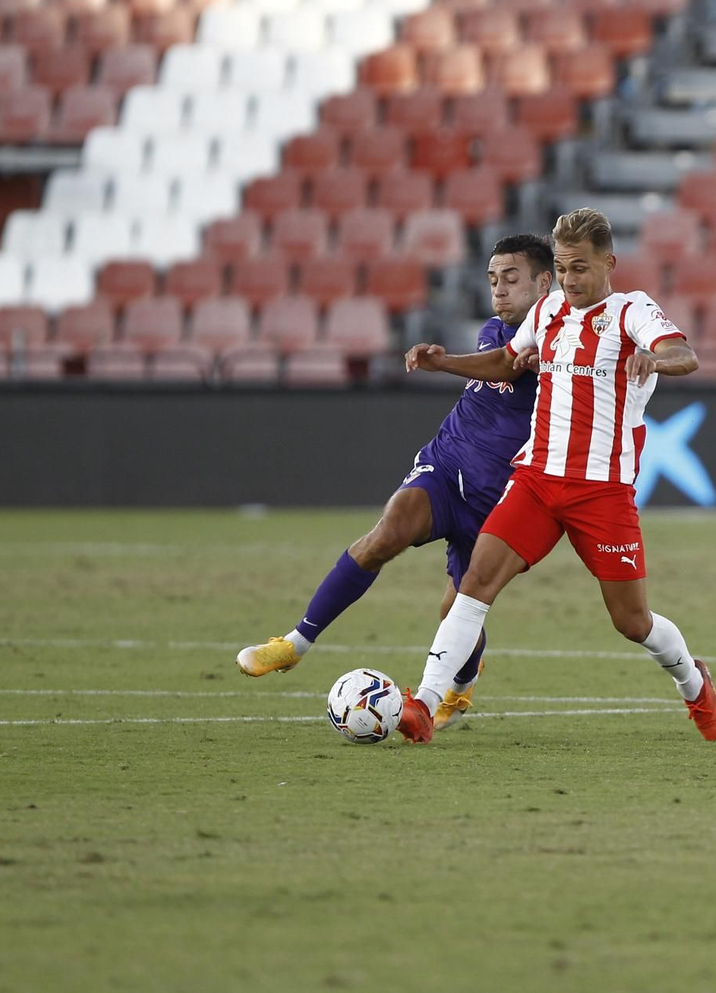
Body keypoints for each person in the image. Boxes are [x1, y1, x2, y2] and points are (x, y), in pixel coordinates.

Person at [393, 208, 716, 745]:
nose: (570, 281)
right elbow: (507, 362)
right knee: (474, 585)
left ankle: (694, 683)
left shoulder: (630, 311)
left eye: (580, 268)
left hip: (602, 492)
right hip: (537, 480)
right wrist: (444, 362)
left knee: (632, 622)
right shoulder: (547, 310)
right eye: (563, 268)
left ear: (608, 262)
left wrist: (655, 360)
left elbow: (683, 354)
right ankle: (424, 704)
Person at [235, 235, 552, 730]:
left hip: (501, 497)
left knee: (459, 605)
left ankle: (461, 686)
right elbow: (505, 362)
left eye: (511, 279)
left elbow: (511, 368)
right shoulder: (497, 331)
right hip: (448, 465)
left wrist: (446, 361)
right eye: (492, 280)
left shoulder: (567, 344)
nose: (499, 290)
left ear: (545, 282)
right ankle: (295, 644)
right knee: (388, 532)